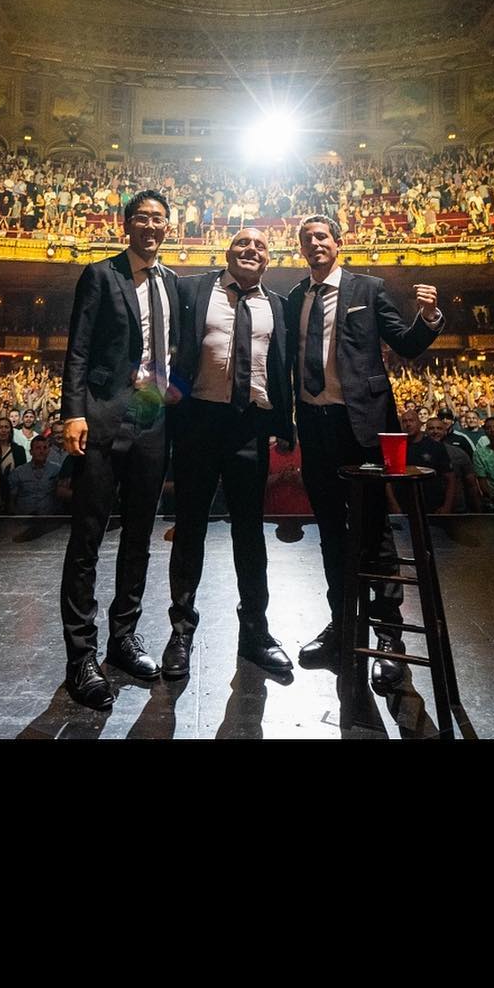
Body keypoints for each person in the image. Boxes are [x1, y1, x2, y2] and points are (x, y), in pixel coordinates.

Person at [284, 214, 443, 690]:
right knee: (332, 534)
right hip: (315, 427)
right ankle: (343, 625)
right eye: (306, 238)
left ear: (338, 242)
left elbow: (408, 344)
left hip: (365, 428)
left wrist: (429, 317)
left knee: (374, 532)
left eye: (322, 236)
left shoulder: (368, 289)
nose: (315, 243)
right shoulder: (295, 298)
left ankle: (390, 639)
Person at [57, 189, 181, 708]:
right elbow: (79, 347)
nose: (150, 226)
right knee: (88, 537)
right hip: (103, 417)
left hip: (152, 419)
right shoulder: (100, 274)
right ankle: (80, 655)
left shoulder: (172, 283)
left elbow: (176, 351)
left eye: (159, 219)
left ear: (167, 227)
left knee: (139, 537)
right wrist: (73, 412)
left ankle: (122, 636)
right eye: (142, 218)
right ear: (126, 224)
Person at [162, 227, 295, 683]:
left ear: (268, 259)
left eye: (260, 246)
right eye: (243, 243)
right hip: (197, 420)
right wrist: (152, 409)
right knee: (191, 526)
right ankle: (181, 629)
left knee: (249, 531)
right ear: (228, 251)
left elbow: (281, 368)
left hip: (248, 425)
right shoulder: (193, 288)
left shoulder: (277, 305)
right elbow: (170, 351)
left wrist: (284, 425)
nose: (251, 250)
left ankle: (255, 631)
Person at [4, 435, 59, 516]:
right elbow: (11, 499)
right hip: (23, 519)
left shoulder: (56, 470)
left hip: (48, 519)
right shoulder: (19, 472)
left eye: (45, 448)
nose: (42, 451)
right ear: (31, 452)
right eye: (38, 448)